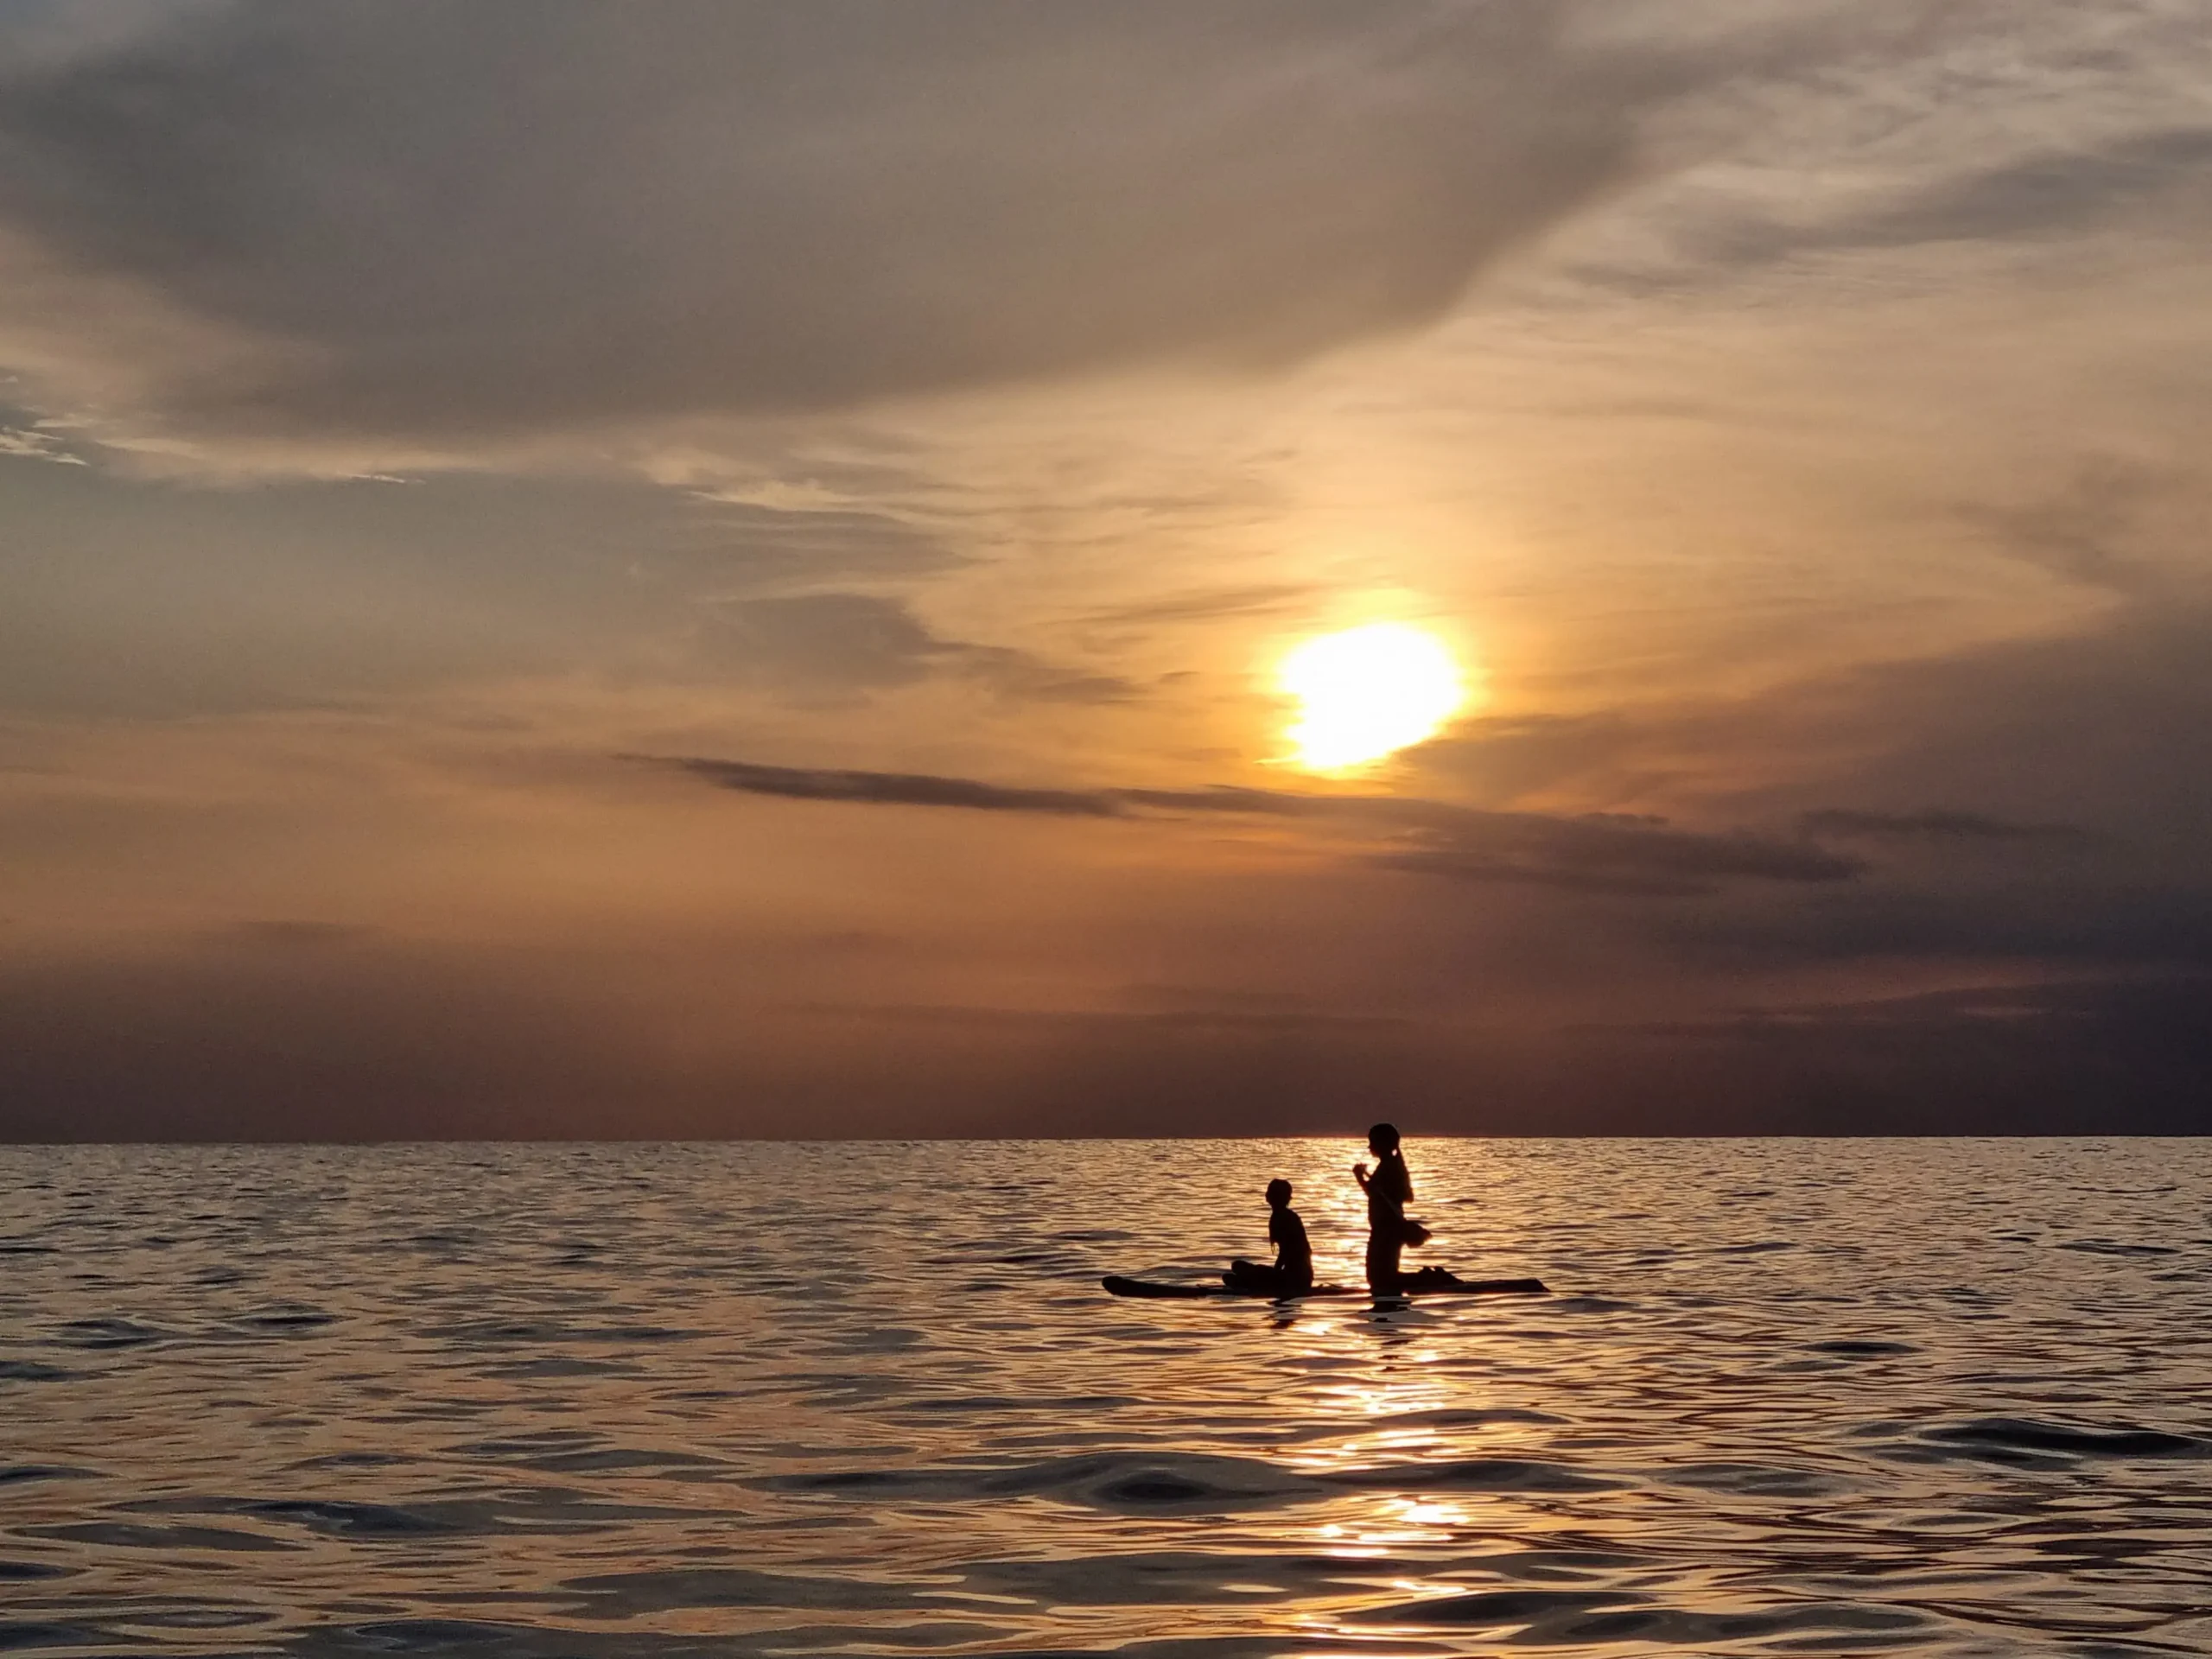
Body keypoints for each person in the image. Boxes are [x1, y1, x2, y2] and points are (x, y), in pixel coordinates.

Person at [1353, 1122, 1432, 1292]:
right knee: (1380, 1278)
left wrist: (1361, 1179)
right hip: (1384, 1228)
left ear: (1383, 1143)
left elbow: (1396, 1196)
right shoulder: (1389, 1166)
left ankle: (1428, 1279)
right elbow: (1380, 1196)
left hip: (1388, 1229)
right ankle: (1424, 1279)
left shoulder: (1390, 1167)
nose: (1369, 1147)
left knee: (1380, 1279)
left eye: (1372, 1142)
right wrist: (1363, 1180)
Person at [1224, 1178, 1314, 1297]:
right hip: (1298, 1277)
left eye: (1269, 1192)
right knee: (1237, 1266)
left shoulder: (1284, 1217)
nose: (1266, 1195)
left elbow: (1285, 1252)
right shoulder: (1283, 1216)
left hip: (1295, 1279)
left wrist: (1275, 1275)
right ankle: (1252, 1282)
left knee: (1236, 1270)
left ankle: (1252, 1284)